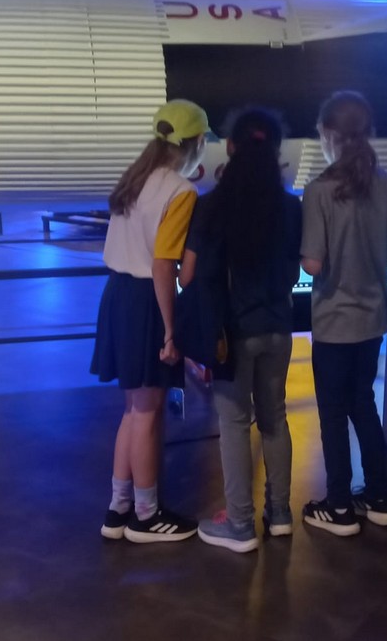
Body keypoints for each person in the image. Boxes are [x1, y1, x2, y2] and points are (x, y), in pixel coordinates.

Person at [179, 109, 303, 553]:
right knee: (274, 417)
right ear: (275, 150)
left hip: (231, 333)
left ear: (230, 147)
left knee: (233, 423)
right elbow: (295, 271)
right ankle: (281, 514)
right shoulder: (290, 207)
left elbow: (188, 275)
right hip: (279, 327)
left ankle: (239, 524)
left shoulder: (213, 205)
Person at [92, 99, 209, 543]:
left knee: (133, 409)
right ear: (196, 143)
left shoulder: (135, 178)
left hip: (117, 295)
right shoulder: (180, 191)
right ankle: (146, 515)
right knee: (148, 411)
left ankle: (119, 508)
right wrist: (170, 329)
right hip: (146, 302)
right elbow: (163, 265)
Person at [300, 91, 387, 536]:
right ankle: (379, 497)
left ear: (329, 134)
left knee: (332, 412)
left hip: (333, 322)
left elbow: (313, 264)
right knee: (363, 402)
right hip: (372, 319)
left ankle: (339, 505)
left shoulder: (319, 191)